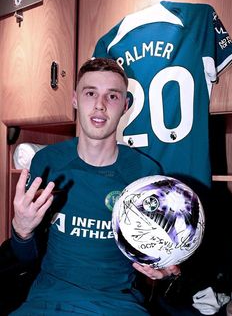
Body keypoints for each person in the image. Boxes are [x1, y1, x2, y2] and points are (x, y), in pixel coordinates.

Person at [10, 58, 180, 315]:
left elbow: (162, 256)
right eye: (90, 93)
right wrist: (21, 231)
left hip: (119, 305)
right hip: (47, 301)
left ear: (125, 105)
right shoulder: (47, 162)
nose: (100, 106)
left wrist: (167, 269)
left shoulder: (146, 174)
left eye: (112, 96)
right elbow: (26, 259)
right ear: (75, 99)